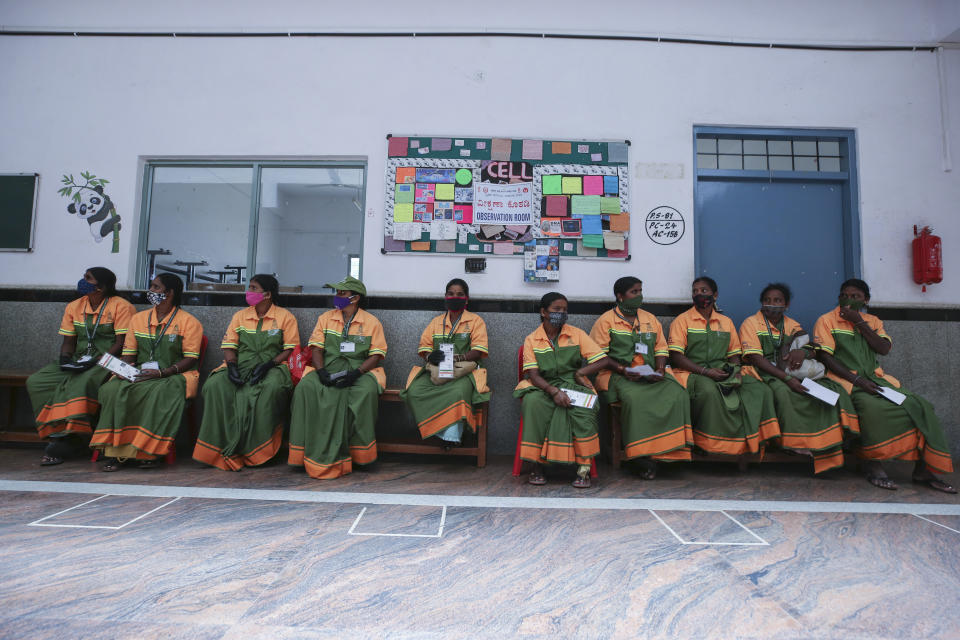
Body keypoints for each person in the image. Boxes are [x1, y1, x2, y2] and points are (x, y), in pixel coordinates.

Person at [813, 279, 955, 492]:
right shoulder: (827, 320)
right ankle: (873, 464)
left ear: (866, 300)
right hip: (845, 381)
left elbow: (883, 348)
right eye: (845, 295)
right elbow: (825, 357)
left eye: (855, 296)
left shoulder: (873, 321)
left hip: (876, 379)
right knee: (874, 409)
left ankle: (923, 469)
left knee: (921, 406)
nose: (848, 300)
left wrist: (859, 322)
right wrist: (858, 381)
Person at [739, 283, 857, 474]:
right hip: (765, 373)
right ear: (761, 303)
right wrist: (786, 379)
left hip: (791, 372)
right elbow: (757, 359)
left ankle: (821, 444)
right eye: (767, 300)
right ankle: (790, 443)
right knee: (783, 393)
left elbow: (810, 347)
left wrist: (802, 352)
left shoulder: (792, 325)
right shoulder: (750, 323)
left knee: (821, 394)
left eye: (777, 300)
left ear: (787, 304)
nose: (772, 304)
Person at [90, 274, 203, 470]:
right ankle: (116, 452)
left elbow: (191, 358)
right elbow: (129, 353)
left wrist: (163, 373)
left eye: (155, 287)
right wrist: (120, 368)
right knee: (112, 390)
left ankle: (148, 453)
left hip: (173, 375)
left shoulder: (189, 322)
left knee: (156, 393)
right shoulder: (138, 319)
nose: (150, 290)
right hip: (140, 372)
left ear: (169, 293)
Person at [27, 267, 135, 465]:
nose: (82, 281)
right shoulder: (75, 306)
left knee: (81, 382)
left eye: (88, 278)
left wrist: (96, 361)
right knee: (37, 381)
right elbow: (69, 340)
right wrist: (65, 359)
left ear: (101, 286)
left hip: (108, 359)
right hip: (79, 358)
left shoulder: (121, 306)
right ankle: (56, 430)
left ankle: (71, 435)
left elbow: (121, 343)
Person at [589, 277, 692, 479]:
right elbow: (598, 356)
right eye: (634, 292)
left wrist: (660, 369)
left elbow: (661, 347)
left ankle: (670, 453)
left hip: (650, 374)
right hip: (619, 375)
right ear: (620, 296)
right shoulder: (605, 321)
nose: (639, 296)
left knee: (678, 394)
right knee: (635, 400)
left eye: (640, 291)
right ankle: (641, 457)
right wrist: (623, 369)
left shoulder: (650, 319)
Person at [193, 274, 299, 471]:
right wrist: (231, 365)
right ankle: (216, 448)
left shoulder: (285, 317)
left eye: (253, 288)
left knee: (270, 390)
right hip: (240, 364)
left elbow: (289, 349)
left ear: (267, 294)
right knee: (214, 386)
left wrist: (269, 364)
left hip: (274, 366)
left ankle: (259, 451)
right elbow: (229, 344)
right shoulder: (240, 316)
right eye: (249, 287)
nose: (248, 292)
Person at [668, 277, 781, 459]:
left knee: (760, 390)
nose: (698, 294)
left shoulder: (725, 322)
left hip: (722, 371)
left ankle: (754, 441)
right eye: (695, 291)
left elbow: (734, 355)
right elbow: (676, 356)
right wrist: (705, 372)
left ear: (715, 295)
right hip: (692, 372)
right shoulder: (682, 321)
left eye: (703, 291)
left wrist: (735, 373)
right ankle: (708, 444)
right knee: (710, 392)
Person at [288, 276, 387, 479]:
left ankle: (360, 456)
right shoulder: (326, 318)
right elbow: (316, 348)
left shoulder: (371, 322)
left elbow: (376, 355)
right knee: (305, 388)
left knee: (365, 393)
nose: (337, 297)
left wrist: (356, 373)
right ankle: (301, 454)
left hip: (361, 371)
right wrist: (321, 371)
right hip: (328, 367)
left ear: (355, 298)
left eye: (342, 293)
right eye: (337, 293)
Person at [514, 292, 610, 488]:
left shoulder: (577, 334)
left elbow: (603, 360)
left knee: (587, 406)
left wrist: (581, 372)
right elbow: (533, 374)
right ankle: (537, 466)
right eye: (557, 309)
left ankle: (583, 469)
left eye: (565, 310)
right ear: (543, 312)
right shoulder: (532, 339)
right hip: (543, 386)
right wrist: (553, 391)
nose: (562, 313)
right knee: (533, 404)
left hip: (573, 385)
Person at [400, 278, 490, 447]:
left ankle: (451, 436)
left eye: (460, 294)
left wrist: (458, 358)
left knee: (458, 392)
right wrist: (429, 357)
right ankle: (437, 430)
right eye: (451, 294)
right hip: (437, 370)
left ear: (467, 298)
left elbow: (479, 351)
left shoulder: (476, 321)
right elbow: (424, 346)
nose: (454, 297)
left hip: (463, 371)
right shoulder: (436, 322)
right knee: (414, 391)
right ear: (445, 296)